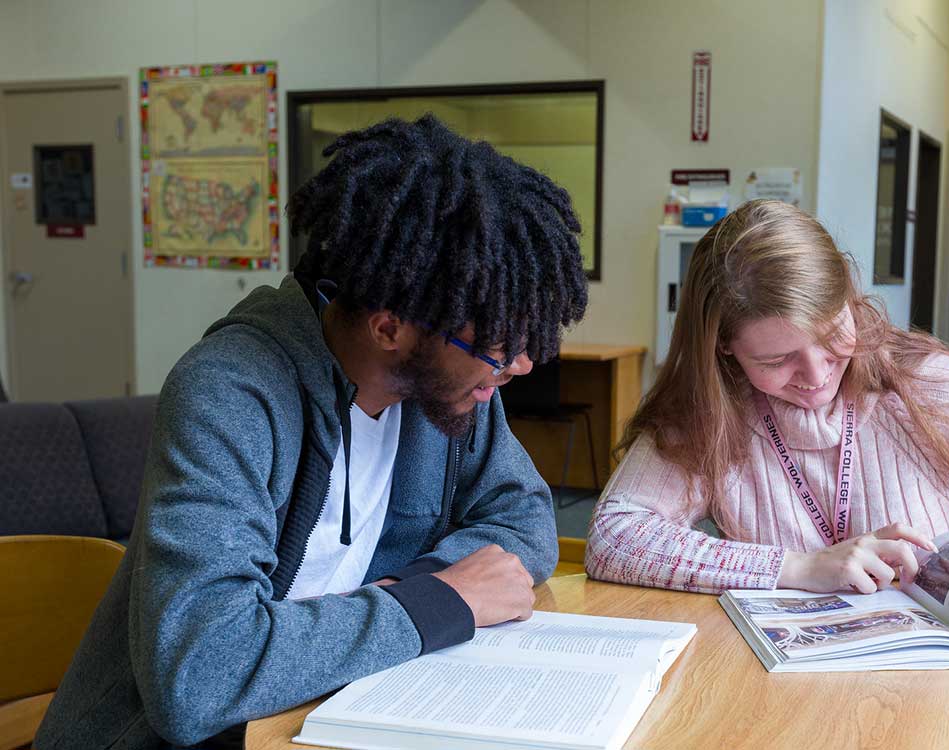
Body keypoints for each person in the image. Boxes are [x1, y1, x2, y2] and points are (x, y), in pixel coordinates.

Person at [37, 115, 588, 749]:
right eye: (499, 344)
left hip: (331, 712)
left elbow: (523, 520)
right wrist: (439, 602)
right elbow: (199, 676)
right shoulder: (231, 393)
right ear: (391, 329)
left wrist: (420, 589)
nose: (520, 364)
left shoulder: (450, 389)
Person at [586, 199, 949, 596]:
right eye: (777, 359)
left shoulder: (939, 390)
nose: (817, 376)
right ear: (724, 346)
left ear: (848, 301)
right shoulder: (714, 409)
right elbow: (613, 537)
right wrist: (797, 567)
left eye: (832, 335)